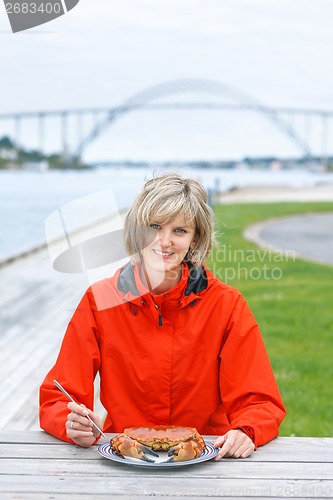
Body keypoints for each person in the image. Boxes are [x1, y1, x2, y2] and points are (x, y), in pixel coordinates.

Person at [39, 173, 286, 459]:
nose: (164, 241)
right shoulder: (99, 301)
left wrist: (247, 430)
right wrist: (71, 424)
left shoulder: (226, 305)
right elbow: (58, 396)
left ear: (196, 239)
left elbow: (259, 401)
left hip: (206, 459)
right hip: (125, 457)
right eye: (154, 226)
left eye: (180, 231)